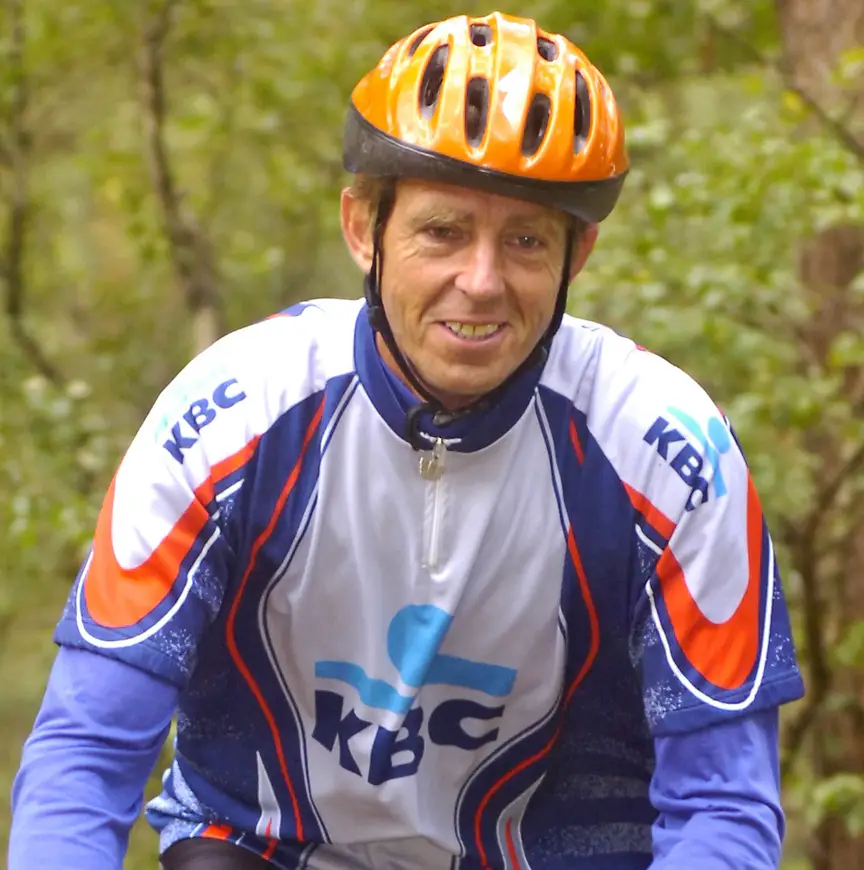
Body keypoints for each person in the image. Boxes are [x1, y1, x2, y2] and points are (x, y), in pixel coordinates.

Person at [9, 11, 804, 870]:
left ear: (577, 255)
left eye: (526, 239)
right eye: (443, 230)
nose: (481, 281)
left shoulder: (669, 453)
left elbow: (723, 807)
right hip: (266, 847)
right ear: (364, 229)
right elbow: (86, 755)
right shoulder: (229, 416)